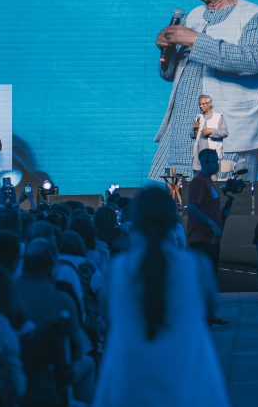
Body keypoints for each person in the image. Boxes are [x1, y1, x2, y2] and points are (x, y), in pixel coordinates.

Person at [151, 0, 258, 182]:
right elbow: (173, 74)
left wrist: (194, 39)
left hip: (228, 129)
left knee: (224, 196)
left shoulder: (254, 17)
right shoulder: (194, 16)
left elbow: (252, 62)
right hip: (184, 127)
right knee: (176, 197)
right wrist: (166, 50)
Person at [93, 188, 229, 407]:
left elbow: (105, 313)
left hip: (128, 380)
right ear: (172, 220)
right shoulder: (197, 267)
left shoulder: (117, 270)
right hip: (189, 380)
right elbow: (209, 306)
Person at [186, 148, 230, 328]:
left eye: (216, 161)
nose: (216, 165)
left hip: (212, 238)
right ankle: (202, 315)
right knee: (203, 277)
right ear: (204, 162)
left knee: (210, 276)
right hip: (201, 238)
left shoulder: (210, 183)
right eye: (212, 161)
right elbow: (193, 207)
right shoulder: (199, 182)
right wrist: (211, 224)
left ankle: (208, 314)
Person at [191, 95, 228, 173]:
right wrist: (195, 129)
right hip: (198, 157)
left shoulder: (218, 117)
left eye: (203, 104)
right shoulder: (198, 117)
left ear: (210, 104)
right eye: (200, 104)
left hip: (211, 156)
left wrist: (211, 131)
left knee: (211, 178)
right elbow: (192, 135)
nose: (201, 106)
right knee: (197, 178)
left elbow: (225, 132)